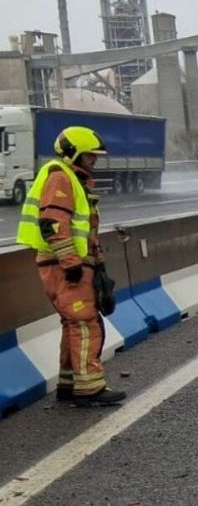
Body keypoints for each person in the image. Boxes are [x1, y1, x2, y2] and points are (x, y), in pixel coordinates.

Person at [13, 126, 125, 407]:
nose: (93, 162)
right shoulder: (61, 177)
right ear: (73, 153)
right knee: (85, 323)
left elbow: (82, 229)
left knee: (73, 324)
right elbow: (52, 224)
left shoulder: (72, 179)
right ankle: (89, 389)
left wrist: (95, 263)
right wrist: (71, 263)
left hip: (68, 264)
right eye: (89, 157)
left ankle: (70, 384)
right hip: (64, 266)